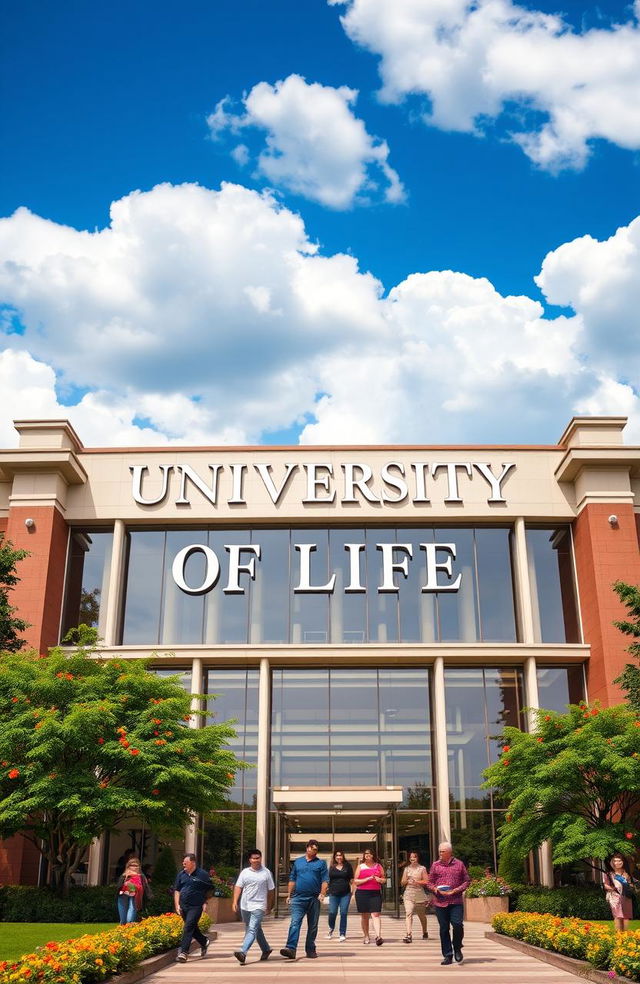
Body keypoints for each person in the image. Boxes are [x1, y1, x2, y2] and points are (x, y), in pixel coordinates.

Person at [280, 839, 328, 960]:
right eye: (313, 848)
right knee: (295, 923)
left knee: (313, 926)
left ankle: (310, 949)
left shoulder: (321, 863)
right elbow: (292, 879)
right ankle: (291, 948)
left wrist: (322, 894)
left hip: (314, 898)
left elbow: (325, 880)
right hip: (298, 898)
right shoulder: (298, 862)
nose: (314, 851)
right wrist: (289, 895)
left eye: (316, 849)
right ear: (307, 848)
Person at [427, 841, 470, 966]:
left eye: (442, 851)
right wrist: (436, 889)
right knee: (444, 929)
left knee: (457, 925)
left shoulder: (459, 864)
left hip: (455, 900)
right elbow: (429, 882)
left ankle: (457, 947)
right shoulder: (435, 865)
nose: (440, 853)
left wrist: (455, 890)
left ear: (449, 852)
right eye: (439, 851)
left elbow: (467, 881)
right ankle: (447, 955)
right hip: (440, 902)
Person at [232, 848, 275, 964]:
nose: (256, 860)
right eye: (253, 858)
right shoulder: (245, 872)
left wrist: (269, 905)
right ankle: (266, 949)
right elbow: (238, 887)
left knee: (251, 929)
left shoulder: (266, 873)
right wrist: (235, 901)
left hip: (259, 905)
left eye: (258, 858)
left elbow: (271, 890)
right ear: (250, 860)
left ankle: (243, 952)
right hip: (245, 905)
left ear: (261, 858)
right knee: (255, 928)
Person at [173, 853, 214, 963]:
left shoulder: (203, 875)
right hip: (183, 906)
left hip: (196, 906)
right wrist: (177, 905)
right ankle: (204, 941)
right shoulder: (181, 874)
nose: (183, 864)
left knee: (188, 927)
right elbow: (177, 890)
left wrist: (205, 902)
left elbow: (210, 889)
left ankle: (184, 952)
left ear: (193, 863)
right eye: (183, 862)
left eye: (185, 862)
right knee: (191, 927)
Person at [353, 847, 385, 946]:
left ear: (373, 855)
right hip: (362, 893)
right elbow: (356, 881)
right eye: (366, 853)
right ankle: (366, 936)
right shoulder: (361, 866)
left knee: (376, 914)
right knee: (365, 916)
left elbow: (384, 879)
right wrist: (367, 879)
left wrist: (379, 880)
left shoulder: (378, 866)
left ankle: (378, 936)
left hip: (375, 893)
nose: (367, 855)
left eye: (370, 853)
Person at [400, 850, 430, 942]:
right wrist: (407, 881)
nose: (412, 858)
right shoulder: (406, 869)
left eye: (414, 857)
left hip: (419, 894)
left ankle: (425, 931)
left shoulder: (422, 868)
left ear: (418, 858)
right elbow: (402, 882)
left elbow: (426, 881)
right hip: (408, 894)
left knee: (421, 915)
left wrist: (417, 882)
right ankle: (409, 934)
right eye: (411, 857)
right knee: (408, 913)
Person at [326, 849, 354, 941]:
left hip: (345, 894)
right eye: (337, 855)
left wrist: (353, 891)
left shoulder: (347, 866)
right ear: (334, 857)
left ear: (343, 856)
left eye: (340, 855)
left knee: (343, 913)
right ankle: (331, 929)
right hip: (333, 893)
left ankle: (342, 933)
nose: (339, 857)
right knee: (332, 912)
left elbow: (352, 880)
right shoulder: (331, 866)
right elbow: (327, 880)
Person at [603, 853, 636, 931]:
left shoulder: (627, 873)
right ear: (612, 862)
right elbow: (605, 885)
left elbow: (632, 885)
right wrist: (613, 888)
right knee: (617, 915)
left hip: (626, 897)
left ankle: (624, 935)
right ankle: (618, 935)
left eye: (619, 861)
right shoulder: (609, 874)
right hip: (615, 897)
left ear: (623, 862)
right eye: (615, 861)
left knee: (626, 916)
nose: (617, 863)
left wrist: (628, 882)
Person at [116, 856, 150, 924]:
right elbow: (119, 886)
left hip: (134, 894)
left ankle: (128, 924)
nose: (134, 867)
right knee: (124, 915)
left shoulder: (141, 876)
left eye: (136, 866)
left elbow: (145, 887)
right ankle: (125, 926)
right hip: (124, 894)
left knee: (132, 908)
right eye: (132, 865)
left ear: (139, 867)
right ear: (128, 866)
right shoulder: (124, 875)